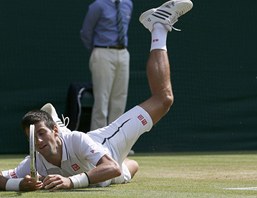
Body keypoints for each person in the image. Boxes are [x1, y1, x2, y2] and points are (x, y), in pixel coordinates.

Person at [0, 0, 193, 191]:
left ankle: (158, 26)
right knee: (131, 168)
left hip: (109, 144)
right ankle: (58, 128)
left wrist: (70, 181)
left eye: (41, 134)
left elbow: (112, 167)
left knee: (164, 100)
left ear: (53, 134)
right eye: (33, 138)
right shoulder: (33, 162)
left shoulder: (77, 140)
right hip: (102, 170)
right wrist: (17, 183)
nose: (39, 142)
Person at [80, 0, 133, 131]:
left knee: (120, 98)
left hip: (123, 53)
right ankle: (97, 142)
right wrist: (98, 50)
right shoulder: (98, 5)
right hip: (102, 51)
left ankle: (116, 141)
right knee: (101, 99)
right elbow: (86, 32)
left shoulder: (128, 4)